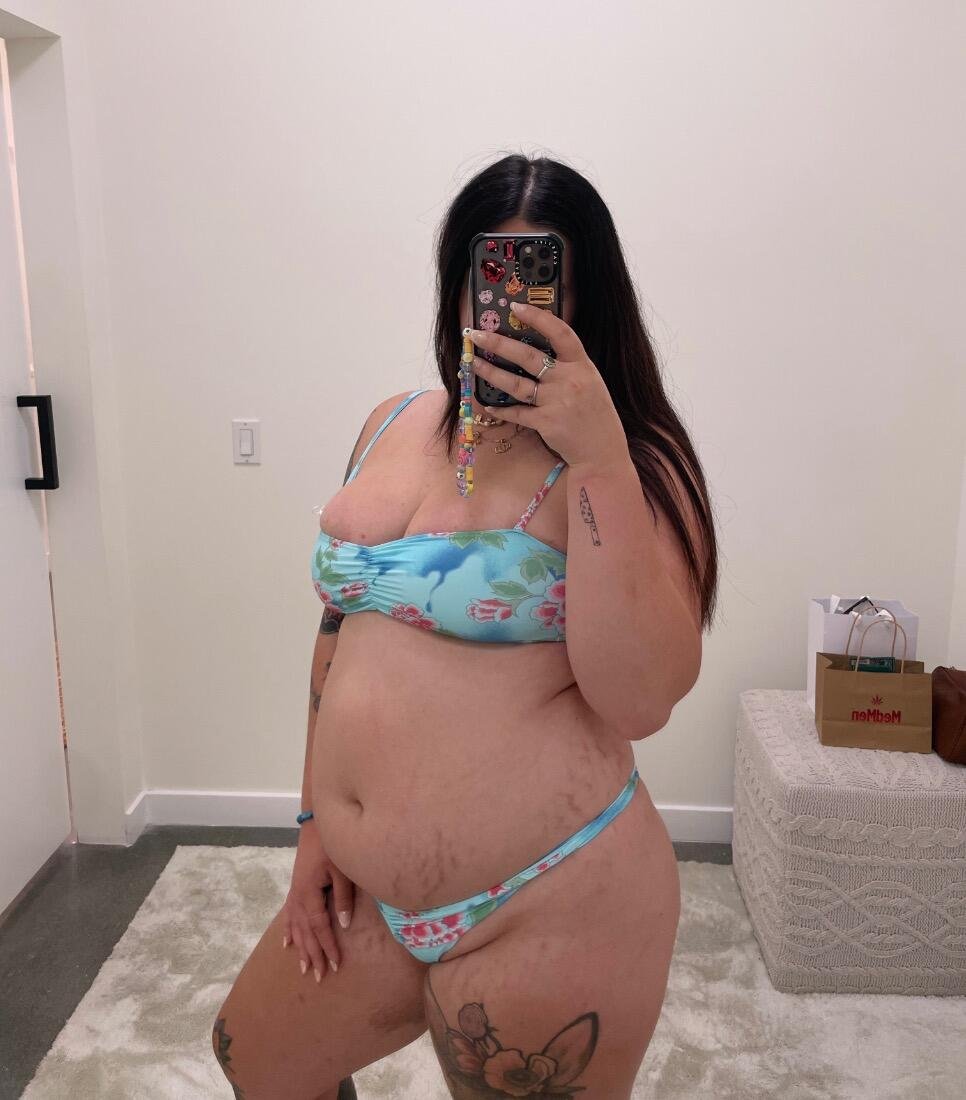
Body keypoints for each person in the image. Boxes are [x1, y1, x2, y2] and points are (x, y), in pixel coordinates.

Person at [212, 153, 719, 1100]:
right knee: (258, 1058)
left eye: (541, 280)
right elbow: (339, 629)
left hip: (551, 895)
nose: (510, 305)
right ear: (458, 286)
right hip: (370, 889)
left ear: (587, 299)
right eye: (490, 274)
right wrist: (317, 824)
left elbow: (640, 700)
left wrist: (598, 457)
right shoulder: (392, 421)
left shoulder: (637, 463)